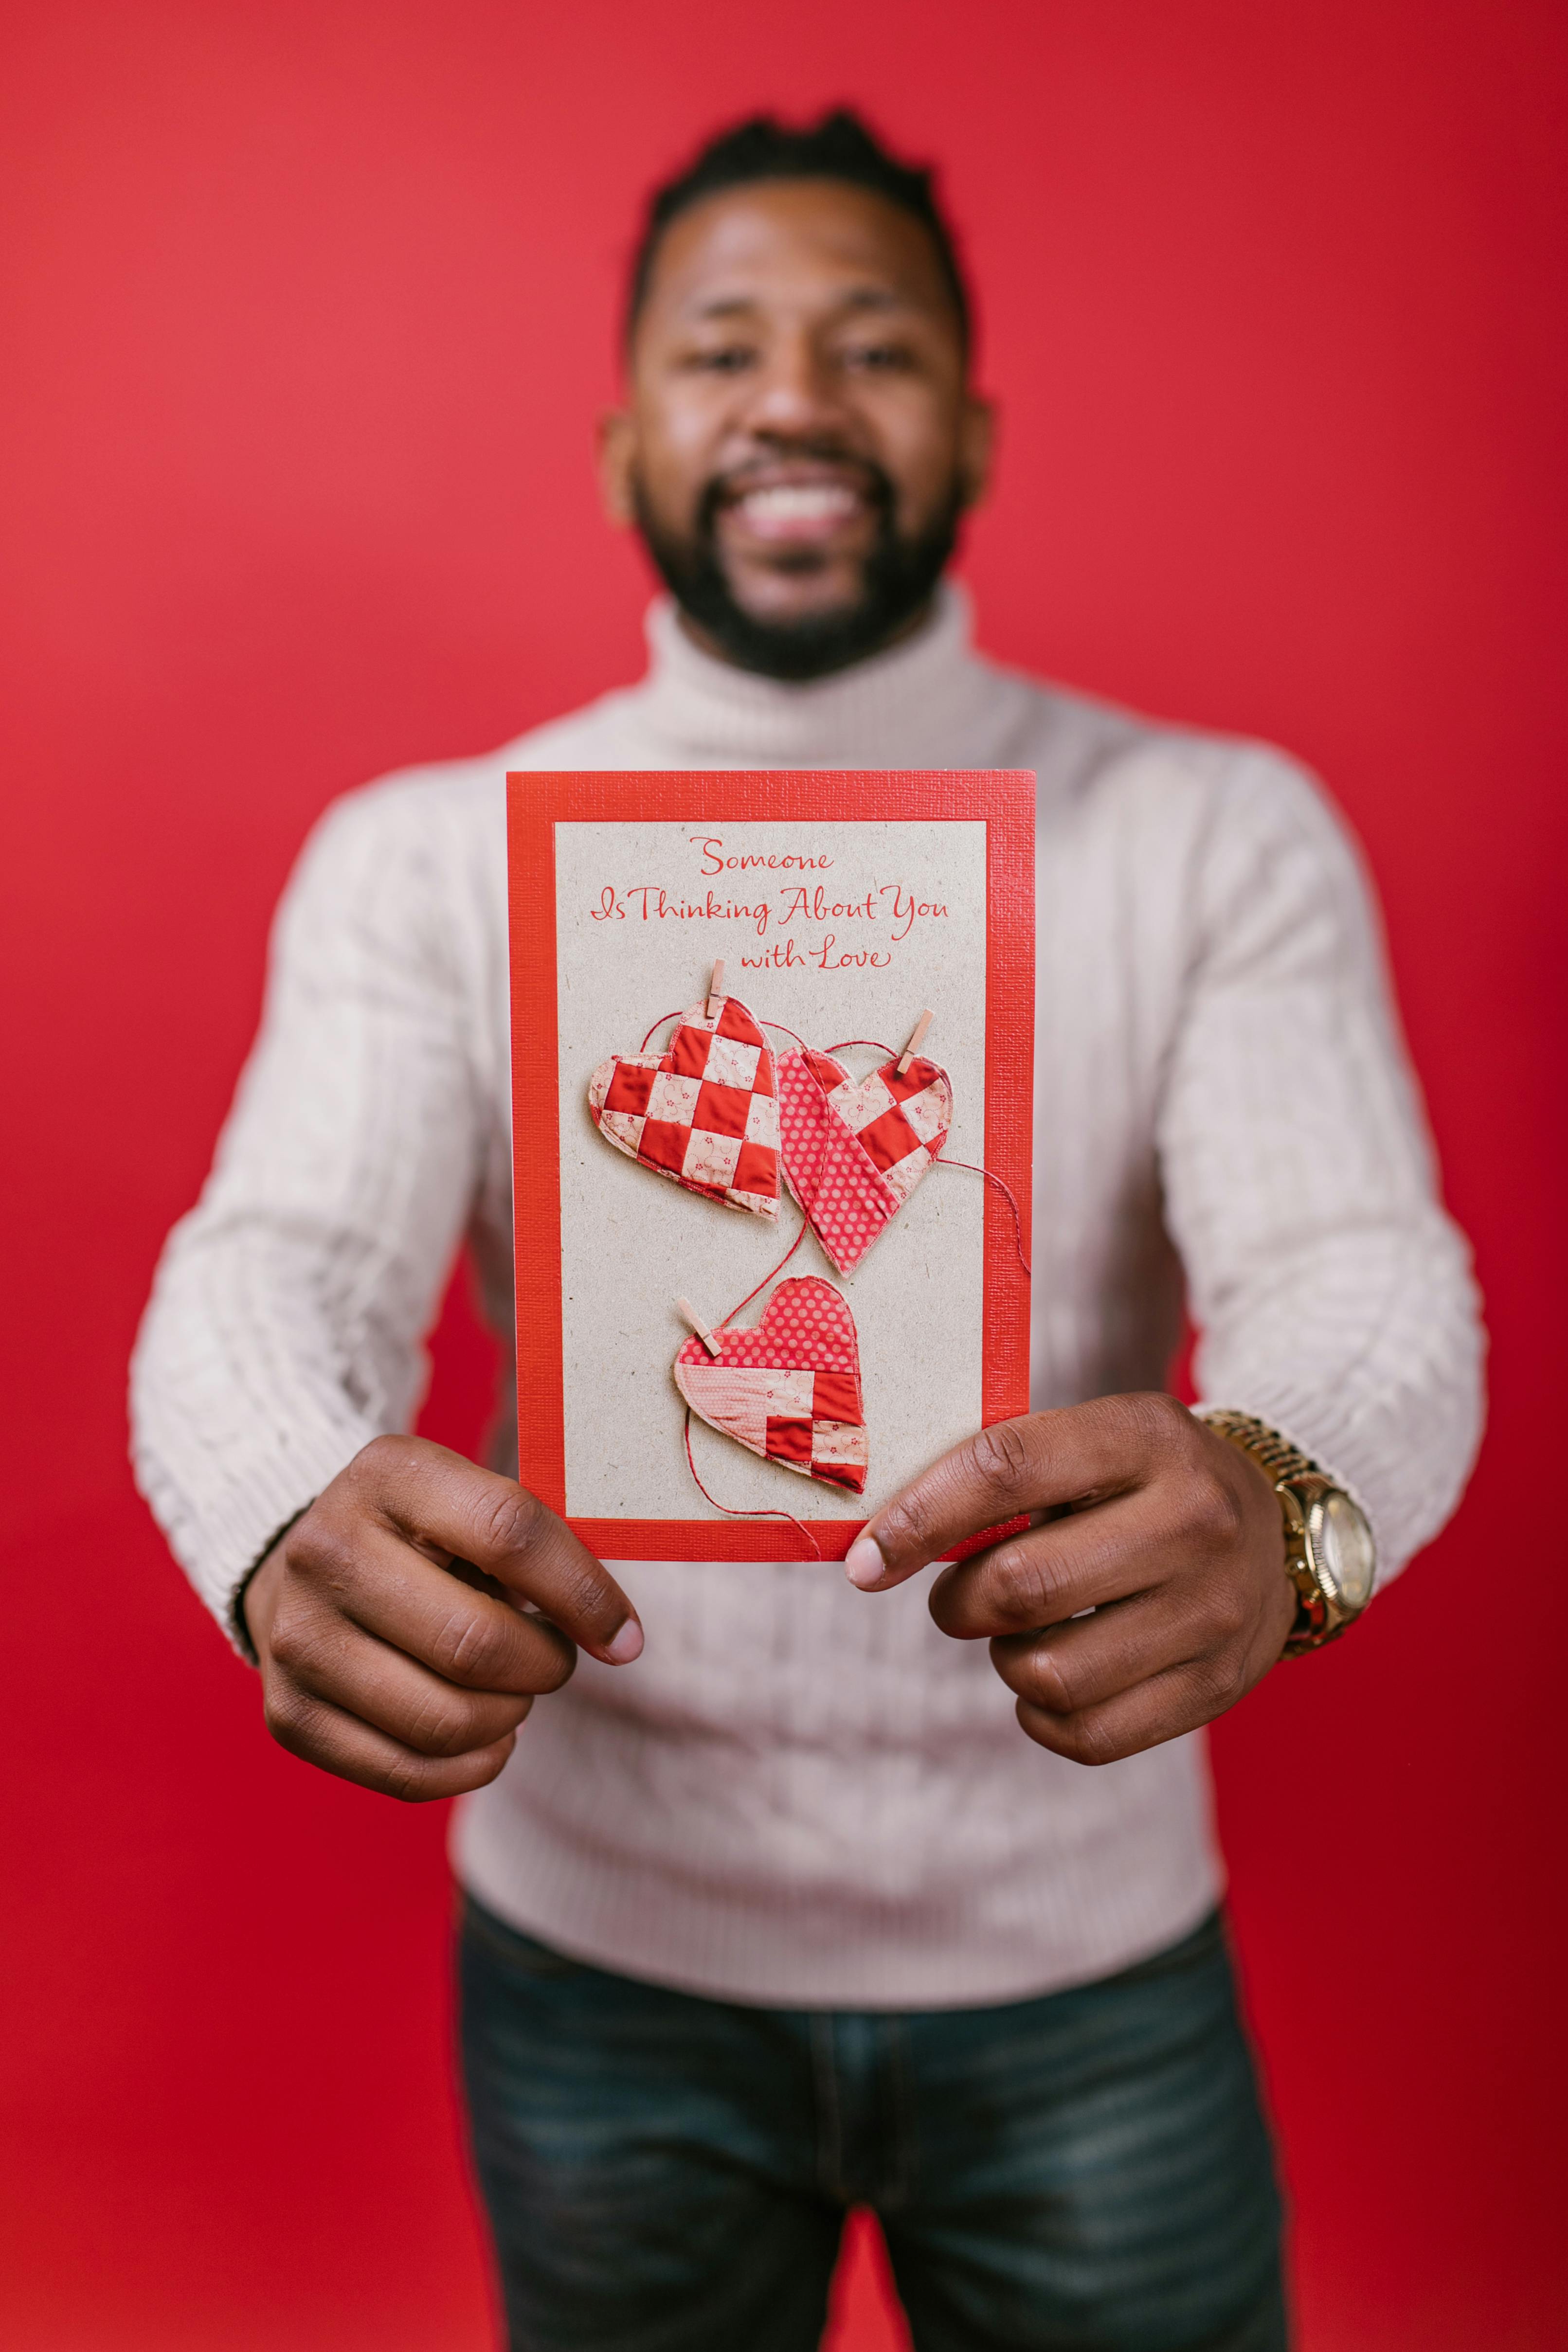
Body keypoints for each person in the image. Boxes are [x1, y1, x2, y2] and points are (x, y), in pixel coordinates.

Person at [131, 110, 1483, 2352]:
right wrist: (271, 1501)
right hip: (598, 1958)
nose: (790, 399)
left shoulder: (1213, 833)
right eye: (719, 349)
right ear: (620, 446)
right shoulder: (421, 859)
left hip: (1083, 1959)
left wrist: (1287, 1498)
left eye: (870, 348)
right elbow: (278, 1258)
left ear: (970, 433)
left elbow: (1356, 1265)